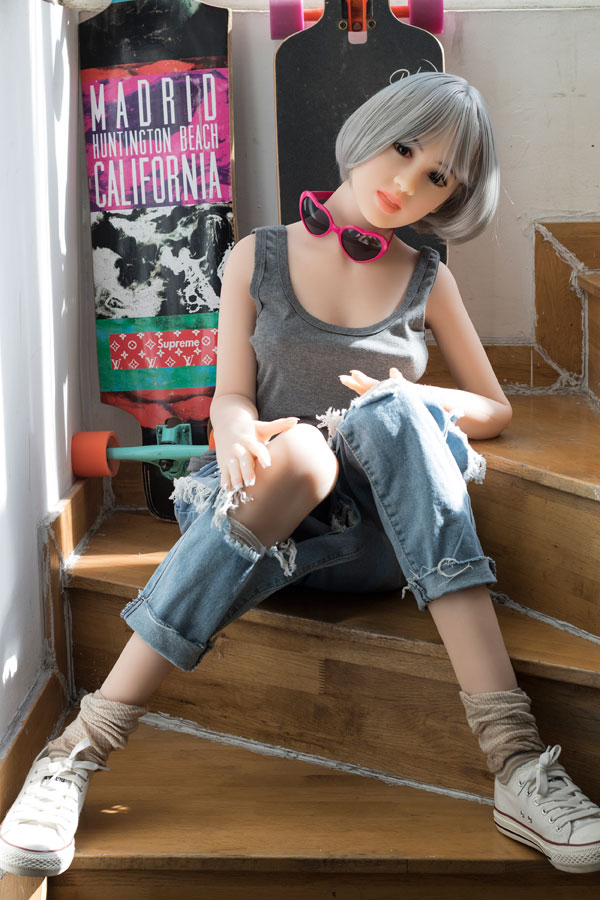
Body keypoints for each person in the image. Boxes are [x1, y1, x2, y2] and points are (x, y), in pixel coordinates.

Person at [2, 72, 599, 879]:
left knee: (394, 414)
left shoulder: (428, 276)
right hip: (260, 517)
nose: (405, 184)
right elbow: (231, 395)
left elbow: (493, 408)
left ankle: (517, 763)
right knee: (308, 454)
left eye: (437, 177)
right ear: (369, 131)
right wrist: (234, 426)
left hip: (383, 540)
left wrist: (410, 396)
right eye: (402, 149)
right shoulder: (260, 255)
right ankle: (78, 750)